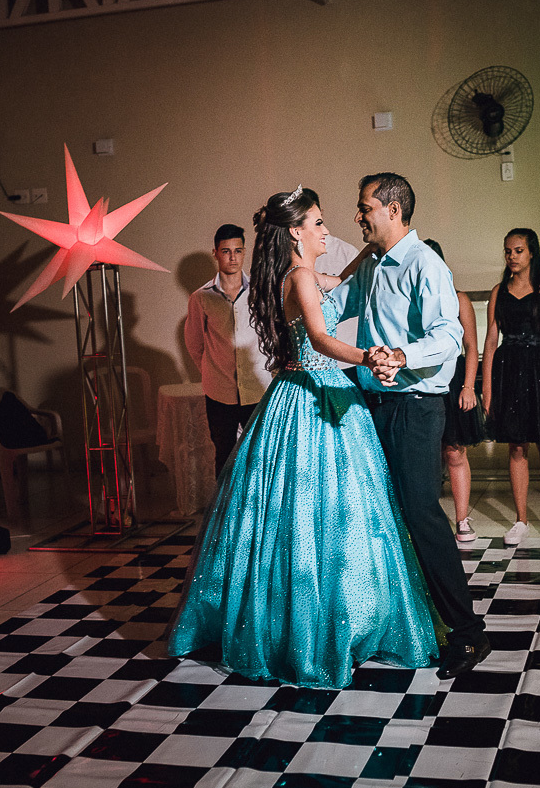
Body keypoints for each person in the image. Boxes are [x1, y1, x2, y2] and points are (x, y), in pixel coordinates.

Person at [168, 187, 437, 689]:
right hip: (314, 394)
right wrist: (370, 356)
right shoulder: (299, 279)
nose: (326, 230)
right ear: (296, 231)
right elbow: (320, 339)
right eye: (317, 223)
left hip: (314, 391)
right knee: (315, 514)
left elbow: (345, 278)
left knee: (326, 513)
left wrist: (377, 247)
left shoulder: (303, 276)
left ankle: (342, 616)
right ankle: (319, 629)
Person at [328, 172, 490, 679]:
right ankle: (398, 623)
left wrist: (402, 355)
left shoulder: (425, 264)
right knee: (382, 514)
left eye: (365, 207)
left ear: (393, 209)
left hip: (417, 405)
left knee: (421, 514)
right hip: (375, 404)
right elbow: (334, 306)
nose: (359, 216)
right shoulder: (373, 265)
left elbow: (449, 334)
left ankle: (467, 634)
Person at [481, 228, 540, 547]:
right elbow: (491, 341)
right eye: (508, 251)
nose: (512, 256)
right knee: (516, 445)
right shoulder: (499, 291)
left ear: (531, 252)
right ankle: (521, 520)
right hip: (509, 371)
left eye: (518, 250)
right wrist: (487, 389)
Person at [184, 224, 273, 474]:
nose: (232, 257)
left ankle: (258, 510)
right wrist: (213, 373)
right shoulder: (201, 297)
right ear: (216, 253)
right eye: (226, 251)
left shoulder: (260, 290)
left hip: (258, 388)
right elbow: (195, 344)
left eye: (237, 250)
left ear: (245, 252)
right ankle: (224, 512)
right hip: (219, 392)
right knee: (224, 456)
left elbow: (270, 335)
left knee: (262, 454)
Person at [424, 239, 487, 544]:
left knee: (454, 451)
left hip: (454, 379)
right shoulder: (413, 297)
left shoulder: (458, 298)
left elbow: (472, 347)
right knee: (425, 455)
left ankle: (462, 519)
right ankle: (428, 521)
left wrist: (469, 387)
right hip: (422, 378)